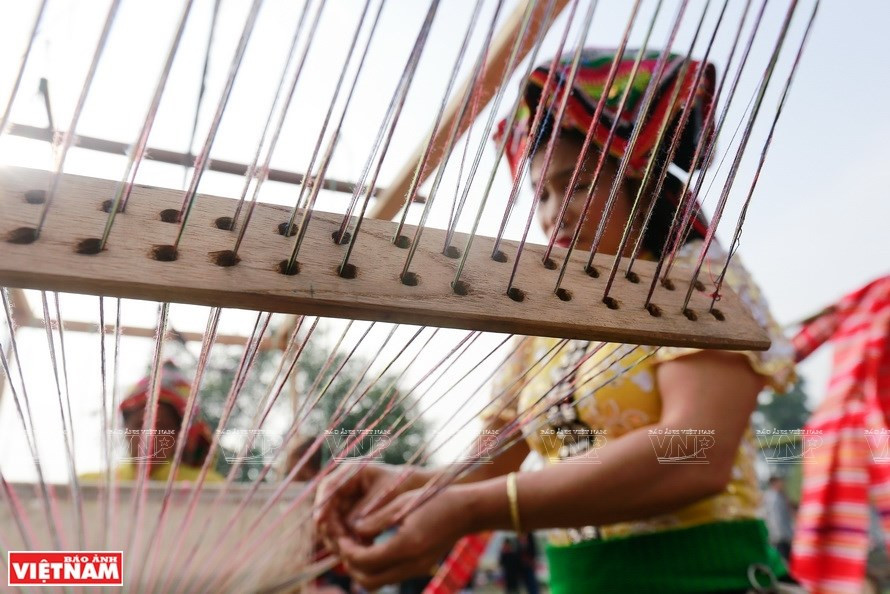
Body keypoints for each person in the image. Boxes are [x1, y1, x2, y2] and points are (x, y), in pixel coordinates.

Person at [314, 49, 798, 593]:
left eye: (579, 185)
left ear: (640, 184)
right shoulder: (548, 315)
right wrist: (411, 484)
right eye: (541, 193)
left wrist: (470, 509)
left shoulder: (699, 279)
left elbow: (695, 450)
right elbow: (493, 464)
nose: (553, 213)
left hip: (710, 579)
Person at [82, 360, 223, 482]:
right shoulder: (90, 485)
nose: (150, 435)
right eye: (140, 426)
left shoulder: (209, 488)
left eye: (162, 427)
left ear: (178, 436)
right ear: (125, 429)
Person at [763, 476, 795, 561]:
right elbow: (776, 518)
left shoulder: (779, 496)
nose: (782, 484)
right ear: (774, 483)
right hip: (779, 537)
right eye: (780, 482)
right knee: (783, 559)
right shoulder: (773, 498)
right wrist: (782, 535)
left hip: (783, 535)